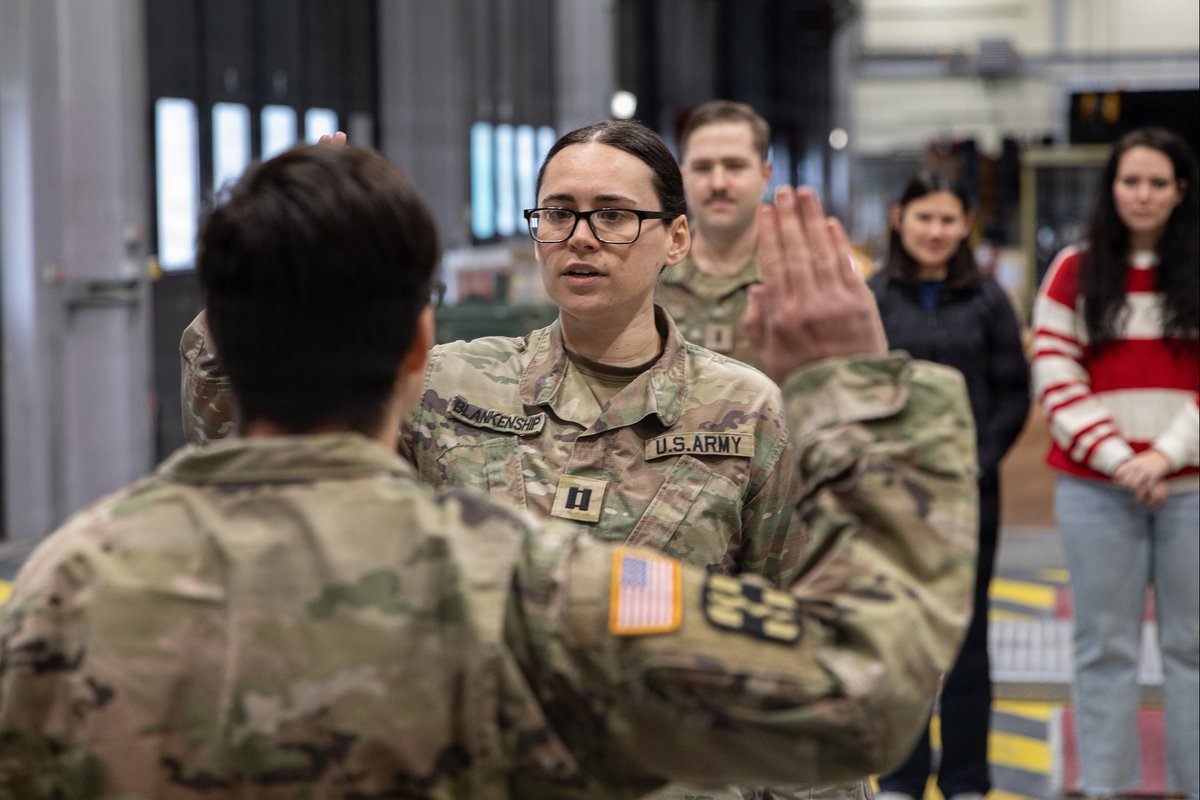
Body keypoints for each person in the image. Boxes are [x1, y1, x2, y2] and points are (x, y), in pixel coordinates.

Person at [0, 144, 980, 798]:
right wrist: (871, 404)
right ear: (423, 344)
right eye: (558, 213)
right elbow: (862, 693)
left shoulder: (64, 584)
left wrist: (293, 251)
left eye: (612, 214)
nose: (581, 235)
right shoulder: (526, 585)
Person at [1031, 127, 1199, 800]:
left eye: (1158, 183)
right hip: (1095, 491)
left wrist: (1164, 456)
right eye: (1131, 181)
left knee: (1192, 649)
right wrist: (1120, 459)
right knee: (1104, 649)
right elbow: (1056, 373)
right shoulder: (1074, 271)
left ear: (1181, 191)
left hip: (1190, 488)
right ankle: (1105, 786)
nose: (1144, 194)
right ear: (1112, 188)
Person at [867, 172, 1030, 800]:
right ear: (898, 218)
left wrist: (979, 459)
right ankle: (903, 776)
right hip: (889, 498)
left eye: (947, 220)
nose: (935, 232)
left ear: (965, 225)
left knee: (967, 639)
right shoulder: (874, 297)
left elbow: (1013, 392)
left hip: (970, 496)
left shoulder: (988, 300)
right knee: (898, 636)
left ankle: (965, 778)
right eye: (923, 218)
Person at [656, 100, 772, 366]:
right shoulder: (650, 272)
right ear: (684, 176)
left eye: (734, 166)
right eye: (703, 168)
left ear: (765, 175)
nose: (718, 183)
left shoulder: (802, 276)